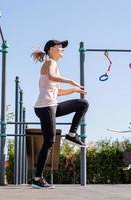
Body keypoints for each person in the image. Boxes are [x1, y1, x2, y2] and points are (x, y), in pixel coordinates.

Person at [31, 40, 89, 189]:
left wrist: (74, 90)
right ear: (51, 49)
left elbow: (57, 91)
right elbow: (51, 77)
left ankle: (71, 134)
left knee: (82, 103)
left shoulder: (54, 65)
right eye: (59, 46)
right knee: (49, 141)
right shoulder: (50, 63)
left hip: (52, 105)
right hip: (45, 107)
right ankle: (37, 178)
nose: (62, 48)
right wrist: (71, 81)